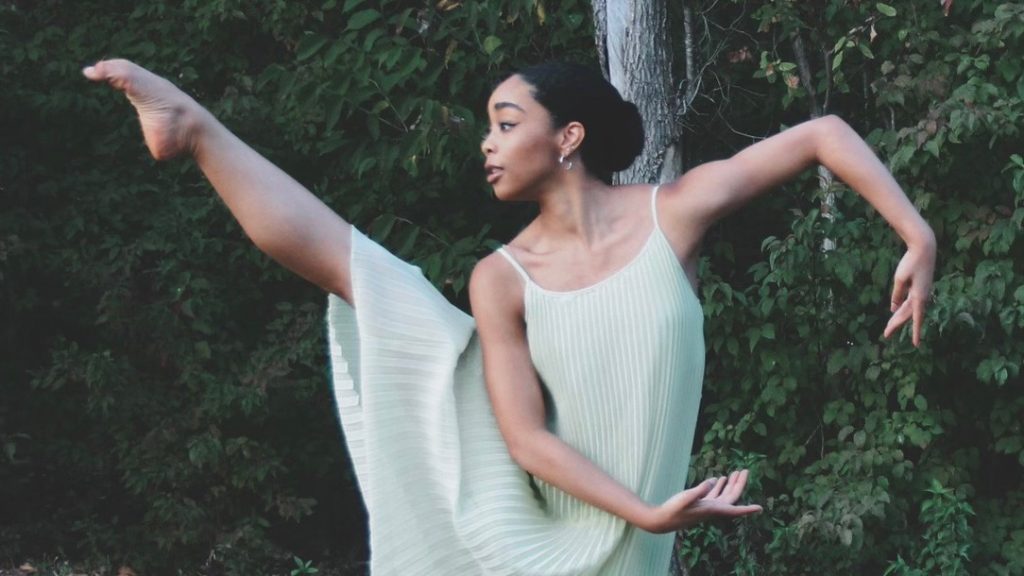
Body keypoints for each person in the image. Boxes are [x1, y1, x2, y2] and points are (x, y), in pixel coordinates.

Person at [83, 58, 936, 575]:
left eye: (505, 122)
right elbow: (525, 442)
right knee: (390, 291)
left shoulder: (672, 214)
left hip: (632, 555)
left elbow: (823, 131)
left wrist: (916, 234)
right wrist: (645, 513)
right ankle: (195, 129)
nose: (485, 144)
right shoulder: (501, 279)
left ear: (567, 138)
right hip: (539, 542)